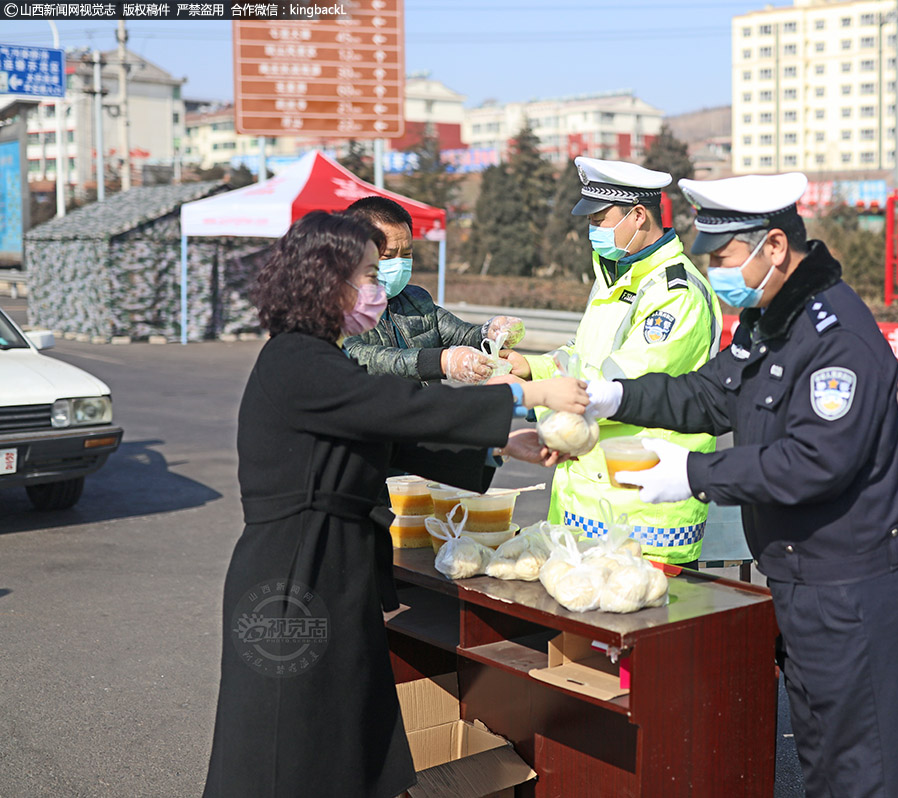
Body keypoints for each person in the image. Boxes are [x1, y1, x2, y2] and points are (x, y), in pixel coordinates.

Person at [202, 211, 587, 798]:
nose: (379, 289)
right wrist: (525, 393)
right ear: (324, 281)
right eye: (366, 274)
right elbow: (401, 405)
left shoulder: (318, 357)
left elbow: (392, 437)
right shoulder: (296, 360)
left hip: (334, 573)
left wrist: (502, 442)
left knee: (345, 742)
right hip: (293, 582)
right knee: (287, 751)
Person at [584, 173, 898, 798]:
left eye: (723, 257)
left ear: (773, 246)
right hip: (797, 576)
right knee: (821, 759)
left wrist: (692, 473)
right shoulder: (767, 320)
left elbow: (815, 461)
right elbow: (710, 393)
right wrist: (614, 396)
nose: (715, 271)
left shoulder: (836, 335)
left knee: (864, 772)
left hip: (850, 585)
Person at [505, 156, 721, 568]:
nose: (591, 231)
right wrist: (532, 368)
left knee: (636, 629)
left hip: (642, 517)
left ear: (638, 216)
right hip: (590, 506)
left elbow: (619, 386)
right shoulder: (618, 278)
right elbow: (582, 355)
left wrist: (526, 397)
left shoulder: (675, 294)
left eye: (600, 220)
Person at [342, 195, 525, 384]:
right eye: (387, 256)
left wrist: (490, 332)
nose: (398, 264)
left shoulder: (417, 301)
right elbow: (359, 356)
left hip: (425, 409)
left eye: (406, 254)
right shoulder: (335, 307)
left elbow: (461, 335)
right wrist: (441, 361)